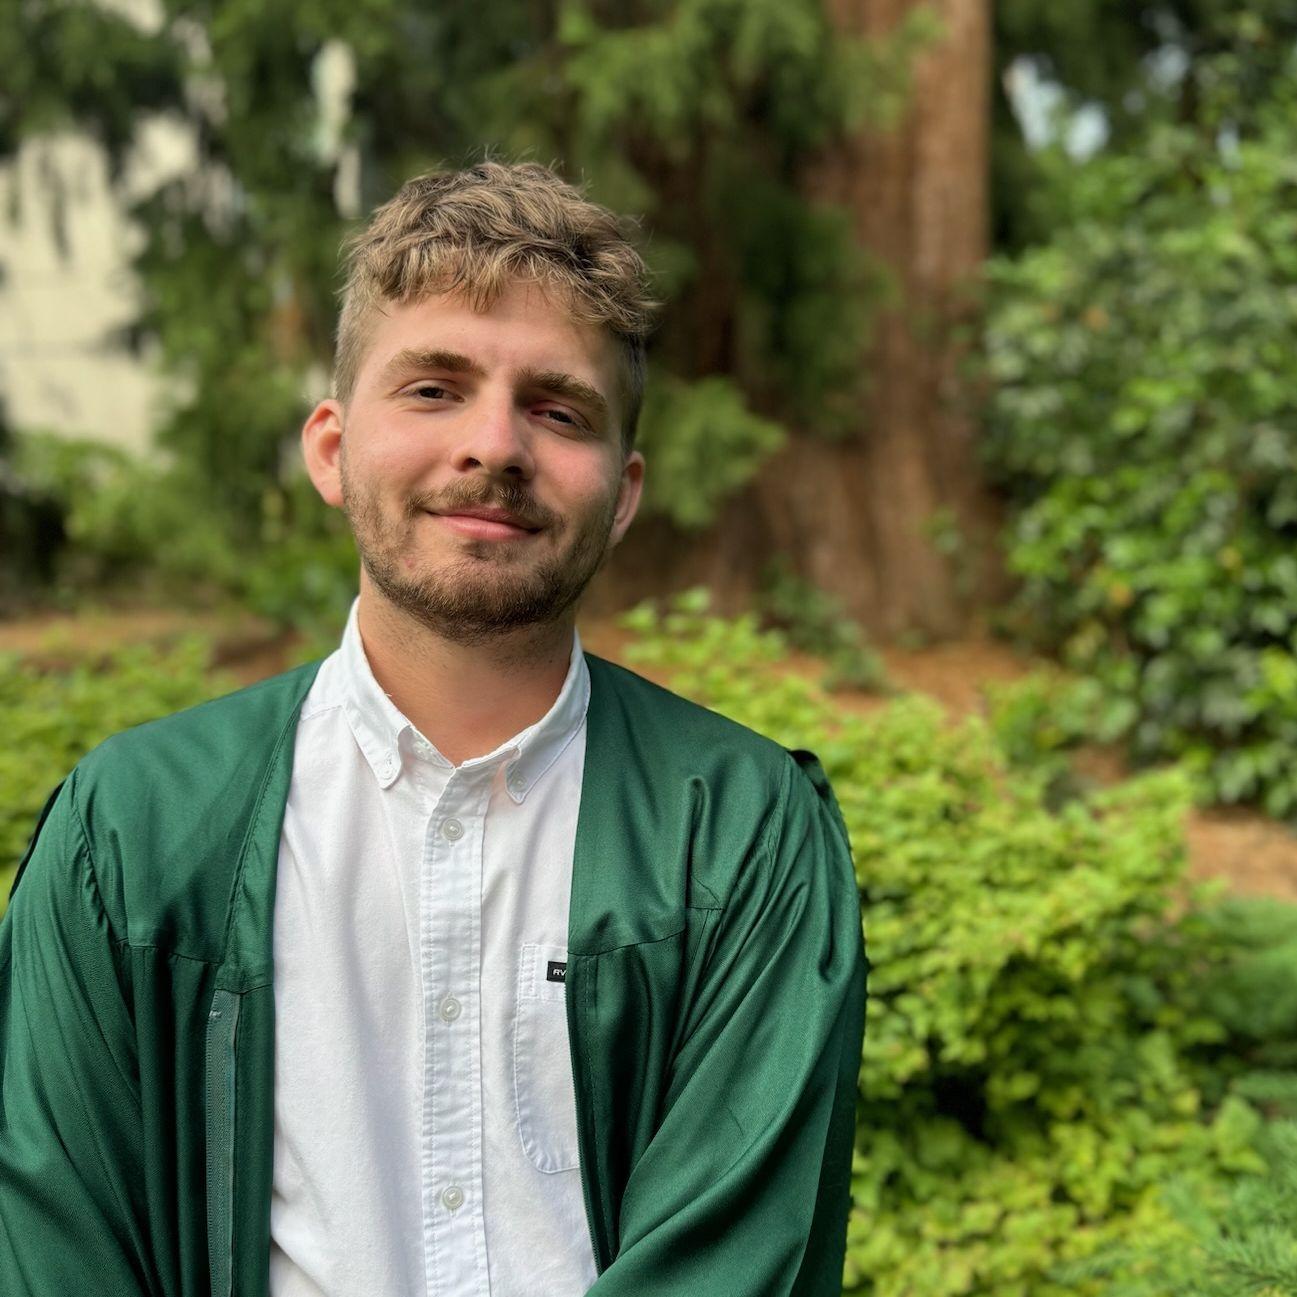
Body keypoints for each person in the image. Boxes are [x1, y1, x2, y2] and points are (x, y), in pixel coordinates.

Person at [0, 160, 868, 1297]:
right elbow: (56, 1248)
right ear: (330, 448)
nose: (494, 445)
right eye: (431, 389)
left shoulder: (743, 836)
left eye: (557, 410)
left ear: (622, 492)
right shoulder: (134, 832)